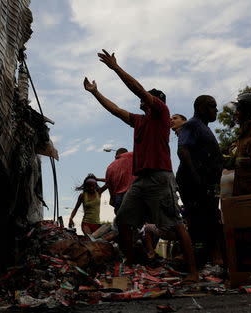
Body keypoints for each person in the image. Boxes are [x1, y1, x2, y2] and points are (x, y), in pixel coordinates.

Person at [83, 49, 198, 282]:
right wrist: (96, 93)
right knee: (124, 220)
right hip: (141, 179)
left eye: (146, 98)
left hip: (160, 177)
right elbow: (116, 110)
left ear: (155, 102)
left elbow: (138, 89)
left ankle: (193, 272)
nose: (141, 100)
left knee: (174, 223)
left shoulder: (162, 113)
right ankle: (132, 265)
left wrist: (115, 68)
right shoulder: (139, 121)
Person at [176, 95, 224, 267]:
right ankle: (197, 260)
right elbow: (182, 151)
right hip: (194, 181)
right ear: (202, 108)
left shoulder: (204, 128)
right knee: (198, 219)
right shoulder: (191, 125)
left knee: (212, 217)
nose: (216, 110)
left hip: (210, 182)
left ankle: (210, 256)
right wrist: (196, 177)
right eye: (213, 106)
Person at [105, 148, 136, 214]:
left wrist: (113, 199)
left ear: (116, 156)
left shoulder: (110, 166)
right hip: (135, 194)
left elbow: (109, 185)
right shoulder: (133, 155)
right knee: (137, 222)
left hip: (119, 198)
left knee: (121, 223)